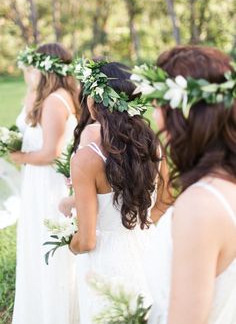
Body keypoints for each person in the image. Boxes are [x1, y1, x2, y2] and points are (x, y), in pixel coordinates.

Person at [132, 46, 236, 324]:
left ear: (181, 114)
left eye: (158, 106)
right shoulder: (226, 184)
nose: (155, 119)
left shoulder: (200, 205)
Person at [67, 59, 171, 324]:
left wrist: (70, 243)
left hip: (105, 264)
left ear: (93, 102)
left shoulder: (86, 159)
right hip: (149, 252)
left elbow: (87, 241)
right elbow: (166, 199)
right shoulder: (151, 142)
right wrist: (140, 226)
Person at [10, 43, 80, 324]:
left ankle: (53, 315)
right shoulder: (52, 95)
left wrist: (19, 156)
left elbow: (52, 151)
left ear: (46, 67)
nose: (31, 71)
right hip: (38, 182)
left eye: (35, 65)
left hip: (49, 185)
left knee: (48, 250)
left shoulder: (54, 101)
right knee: (37, 248)